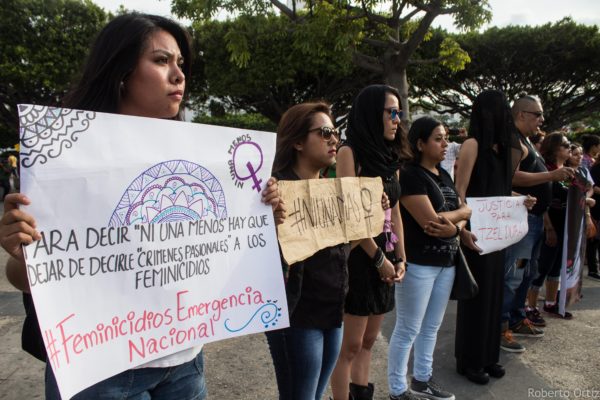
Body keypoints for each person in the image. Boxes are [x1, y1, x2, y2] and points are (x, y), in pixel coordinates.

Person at [0, 13, 283, 400]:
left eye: (180, 63)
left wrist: (263, 217)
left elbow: (219, 255)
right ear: (121, 71)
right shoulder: (65, 165)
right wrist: (21, 251)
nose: (179, 75)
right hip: (102, 371)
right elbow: (28, 276)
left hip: (184, 363)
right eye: (162, 60)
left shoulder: (209, 161)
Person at [265, 102, 348, 400]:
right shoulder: (272, 192)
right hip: (297, 315)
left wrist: (373, 213)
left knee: (314, 394)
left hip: (332, 309)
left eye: (335, 133)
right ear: (298, 141)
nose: (333, 139)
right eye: (325, 132)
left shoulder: (332, 189)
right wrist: (265, 216)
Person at [330, 85, 407, 400]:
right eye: (391, 112)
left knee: (370, 340)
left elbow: (396, 211)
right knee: (349, 345)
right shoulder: (350, 153)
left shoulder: (391, 156)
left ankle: (361, 393)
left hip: (386, 258)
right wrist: (380, 260)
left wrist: (401, 257)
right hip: (360, 259)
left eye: (399, 113)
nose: (397, 119)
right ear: (371, 113)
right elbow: (349, 217)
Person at [388, 117, 471, 400]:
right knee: (408, 327)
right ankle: (397, 390)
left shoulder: (442, 175)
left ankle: (422, 380)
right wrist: (460, 218)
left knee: (431, 326)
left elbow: (459, 212)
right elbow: (430, 221)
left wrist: (456, 225)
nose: (446, 143)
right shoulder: (410, 175)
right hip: (419, 263)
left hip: (446, 263)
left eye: (446, 137)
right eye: (438, 138)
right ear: (420, 143)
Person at [454, 90, 525, 384]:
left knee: (494, 295)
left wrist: (520, 200)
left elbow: (501, 188)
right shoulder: (472, 145)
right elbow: (460, 191)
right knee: (476, 297)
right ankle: (469, 360)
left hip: (496, 232)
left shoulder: (504, 149)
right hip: (476, 230)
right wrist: (462, 229)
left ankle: (489, 356)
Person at [501, 94, 574, 353]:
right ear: (521, 115)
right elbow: (507, 178)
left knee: (528, 273)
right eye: (537, 115)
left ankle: (518, 317)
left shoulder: (525, 141)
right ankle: (501, 327)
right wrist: (551, 174)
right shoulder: (513, 140)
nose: (542, 120)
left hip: (533, 221)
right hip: (523, 220)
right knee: (515, 274)